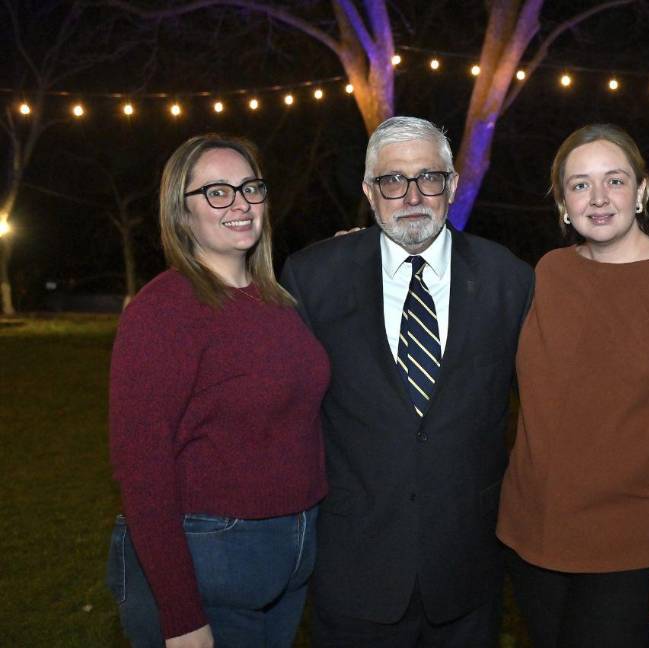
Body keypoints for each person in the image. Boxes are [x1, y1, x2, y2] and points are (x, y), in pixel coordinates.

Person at [280, 116, 533, 647]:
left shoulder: (508, 279)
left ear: (452, 185)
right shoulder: (313, 278)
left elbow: (545, 409)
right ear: (370, 192)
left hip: (467, 570)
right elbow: (282, 416)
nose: (412, 195)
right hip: (355, 571)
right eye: (393, 180)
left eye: (429, 178)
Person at [498, 124, 649, 647]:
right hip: (530, 544)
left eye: (615, 180)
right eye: (581, 185)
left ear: (642, 191)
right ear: (562, 202)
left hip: (631, 555)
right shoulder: (550, 272)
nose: (599, 198)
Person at [107, 134, 329, 647]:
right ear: (180, 212)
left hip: (288, 562)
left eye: (250, 188)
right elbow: (142, 470)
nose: (240, 204)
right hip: (209, 565)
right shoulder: (163, 312)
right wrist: (181, 617)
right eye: (217, 192)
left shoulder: (278, 302)